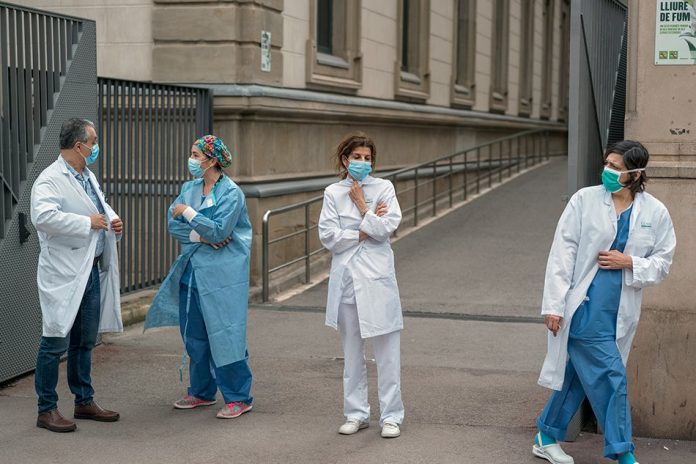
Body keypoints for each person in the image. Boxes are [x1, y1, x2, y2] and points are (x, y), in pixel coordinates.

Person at [533, 141, 676, 464]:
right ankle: (622, 450)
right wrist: (554, 305)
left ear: (636, 174)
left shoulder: (655, 212)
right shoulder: (584, 200)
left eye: (616, 167)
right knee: (611, 377)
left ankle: (546, 434)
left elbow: (663, 262)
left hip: (620, 312)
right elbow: (562, 253)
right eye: (607, 164)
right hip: (585, 308)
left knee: (579, 376)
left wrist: (631, 263)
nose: (608, 171)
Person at [145, 134, 253, 419]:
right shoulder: (189, 187)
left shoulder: (232, 193)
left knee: (226, 333)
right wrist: (201, 235)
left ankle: (238, 396)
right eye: (191, 153)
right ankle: (202, 391)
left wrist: (190, 213)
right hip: (192, 272)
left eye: (196, 155)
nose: (191, 160)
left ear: (212, 160)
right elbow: (173, 225)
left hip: (223, 274)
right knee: (195, 335)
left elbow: (220, 231)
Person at [30, 118, 123, 433]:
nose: (96, 146)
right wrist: (88, 222)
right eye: (93, 141)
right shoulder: (50, 179)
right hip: (64, 271)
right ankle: (46, 409)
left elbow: (99, 207)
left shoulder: (87, 175)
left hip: (89, 270)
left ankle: (84, 400)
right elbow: (43, 217)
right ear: (78, 145)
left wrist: (112, 219)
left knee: (84, 340)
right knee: (55, 340)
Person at [318, 132, 405, 439]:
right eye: (357, 157)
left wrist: (362, 210)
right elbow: (328, 236)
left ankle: (391, 416)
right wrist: (363, 232)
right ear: (345, 160)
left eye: (368, 158)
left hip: (378, 279)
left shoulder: (384, 188)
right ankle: (356, 413)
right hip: (347, 282)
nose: (362, 163)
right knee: (352, 351)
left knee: (387, 351)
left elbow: (387, 227)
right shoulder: (332, 192)